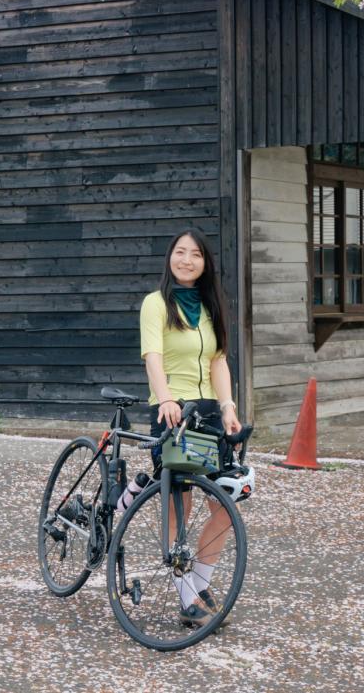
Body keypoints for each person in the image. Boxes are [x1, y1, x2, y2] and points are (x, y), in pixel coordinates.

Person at [139, 228, 242, 625]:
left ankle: (199, 582)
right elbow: (153, 356)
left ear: (205, 263)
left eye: (195, 254)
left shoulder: (211, 305)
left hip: (209, 412)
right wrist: (165, 398)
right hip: (173, 410)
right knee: (178, 502)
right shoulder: (156, 303)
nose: (186, 260)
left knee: (225, 502)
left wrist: (228, 406)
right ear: (170, 257)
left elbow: (218, 361)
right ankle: (186, 595)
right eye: (180, 252)